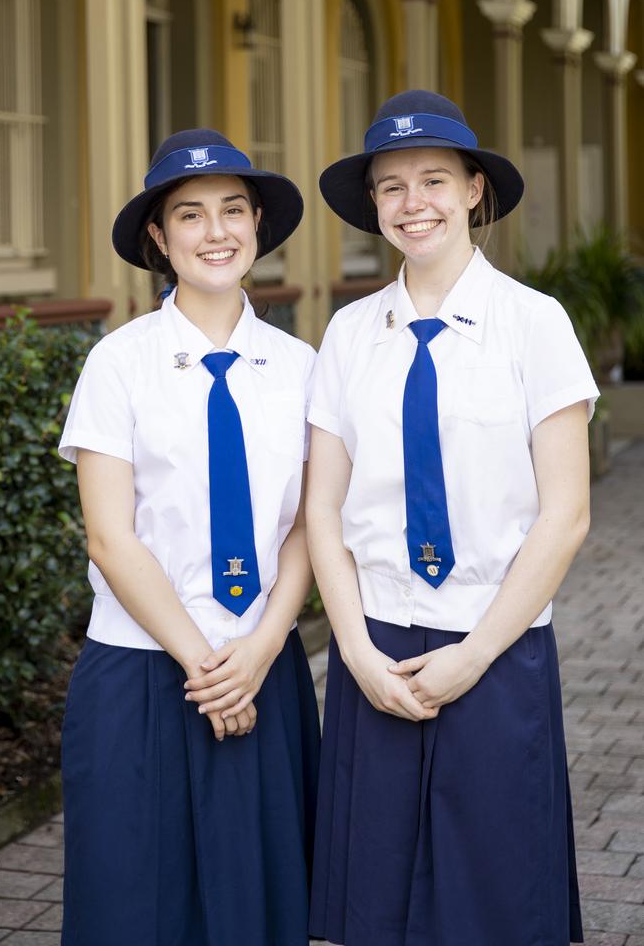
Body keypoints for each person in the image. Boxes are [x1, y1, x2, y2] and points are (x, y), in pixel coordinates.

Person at [307, 90, 597, 946]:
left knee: (498, 904)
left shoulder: (534, 325)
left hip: (496, 648)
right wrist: (354, 653)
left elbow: (568, 514)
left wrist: (472, 655)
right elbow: (323, 506)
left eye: (433, 179)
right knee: (378, 908)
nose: (412, 204)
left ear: (474, 189)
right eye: (390, 187)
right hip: (379, 656)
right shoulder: (350, 333)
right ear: (374, 207)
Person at [58, 128, 320, 946]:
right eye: (191, 215)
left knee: (261, 906)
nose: (216, 232)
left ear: (258, 227)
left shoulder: (305, 366)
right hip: (141, 675)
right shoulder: (118, 363)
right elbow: (109, 536)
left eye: (233, 211)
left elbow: (312, 521)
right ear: (158, 239)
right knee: (136, 908)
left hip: (262, 669)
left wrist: (265, 646)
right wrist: (206, 668)